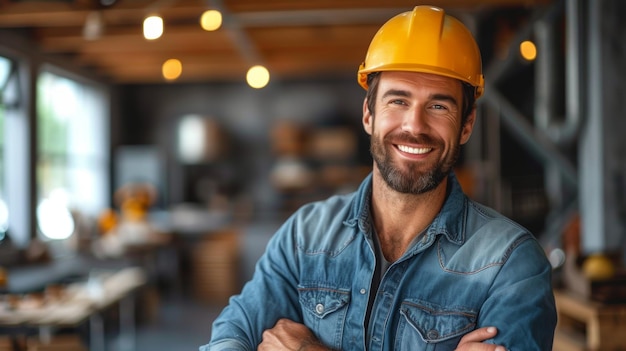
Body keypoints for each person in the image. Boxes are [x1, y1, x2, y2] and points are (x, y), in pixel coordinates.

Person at [201, 5, 556, 351]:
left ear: (466, 125)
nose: (414, 126)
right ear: (369, 114)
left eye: (438, 106)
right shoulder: (304, 237)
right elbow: (231, 338)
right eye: (398, 101)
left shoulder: (510, 264)